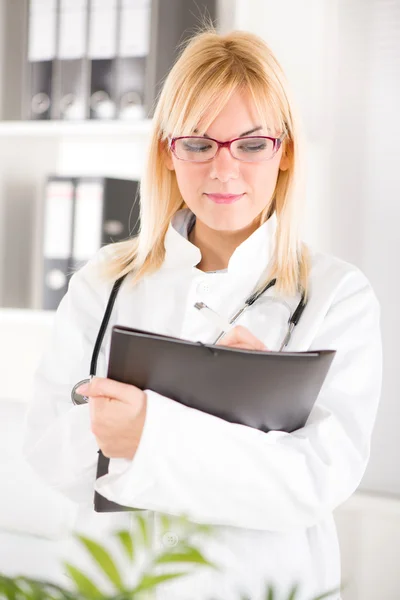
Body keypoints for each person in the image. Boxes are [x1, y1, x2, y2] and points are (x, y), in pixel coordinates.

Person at [22, 26, 382, 600]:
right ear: (168, 151)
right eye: (197, 143)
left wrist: (147, 434)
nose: (223, 168)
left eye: (251, 143)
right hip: (119, 584)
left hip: (261, 586)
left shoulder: (336, 295)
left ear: (284, 150)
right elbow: (47, 447)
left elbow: (316, 480)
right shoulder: (104, 283)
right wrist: (241, 434)